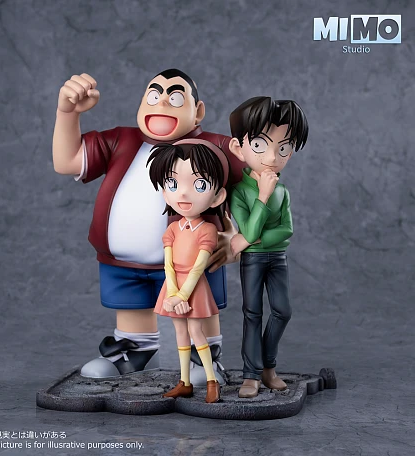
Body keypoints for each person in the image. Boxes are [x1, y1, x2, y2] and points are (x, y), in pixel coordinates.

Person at [52, 69, 242, 383]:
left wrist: (236, 235)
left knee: (197, 307)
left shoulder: (213, 146)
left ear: (198, 111)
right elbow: (67, 161)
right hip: (122, 263)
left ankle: (205, 358)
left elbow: (256, 183)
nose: (162, 103)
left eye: (175, 97)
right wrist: (67, 113)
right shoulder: (120, 141)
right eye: (154, 95)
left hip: (192, 256)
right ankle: (134, 352)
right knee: (131, 308)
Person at [228, 97, 308, 398]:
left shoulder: (282, 191)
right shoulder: (239, 191)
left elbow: (287, 231)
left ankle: (267, 367)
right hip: (252, 261)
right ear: (239, 148)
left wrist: (256, 238)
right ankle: (252, 374)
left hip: (277, 257)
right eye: (260, 145)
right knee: (252, 314)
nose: (273, 157)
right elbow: (248, 230)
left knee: (282, 311)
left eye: (284, 148)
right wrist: (262, 196)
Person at [147, 139, 230, 403]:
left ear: (217, 196)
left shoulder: (207, 229)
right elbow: (167, 264)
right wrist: (173, 294)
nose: (183, 194)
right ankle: (184, 381)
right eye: (173, 184)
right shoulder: (173, 228)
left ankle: (211, 380)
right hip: (173, 287)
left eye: (199, 185)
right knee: (180, 334)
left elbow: (198, 267)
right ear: (164, 191)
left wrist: (183, 296)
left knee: (197, 333)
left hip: (194, 287)